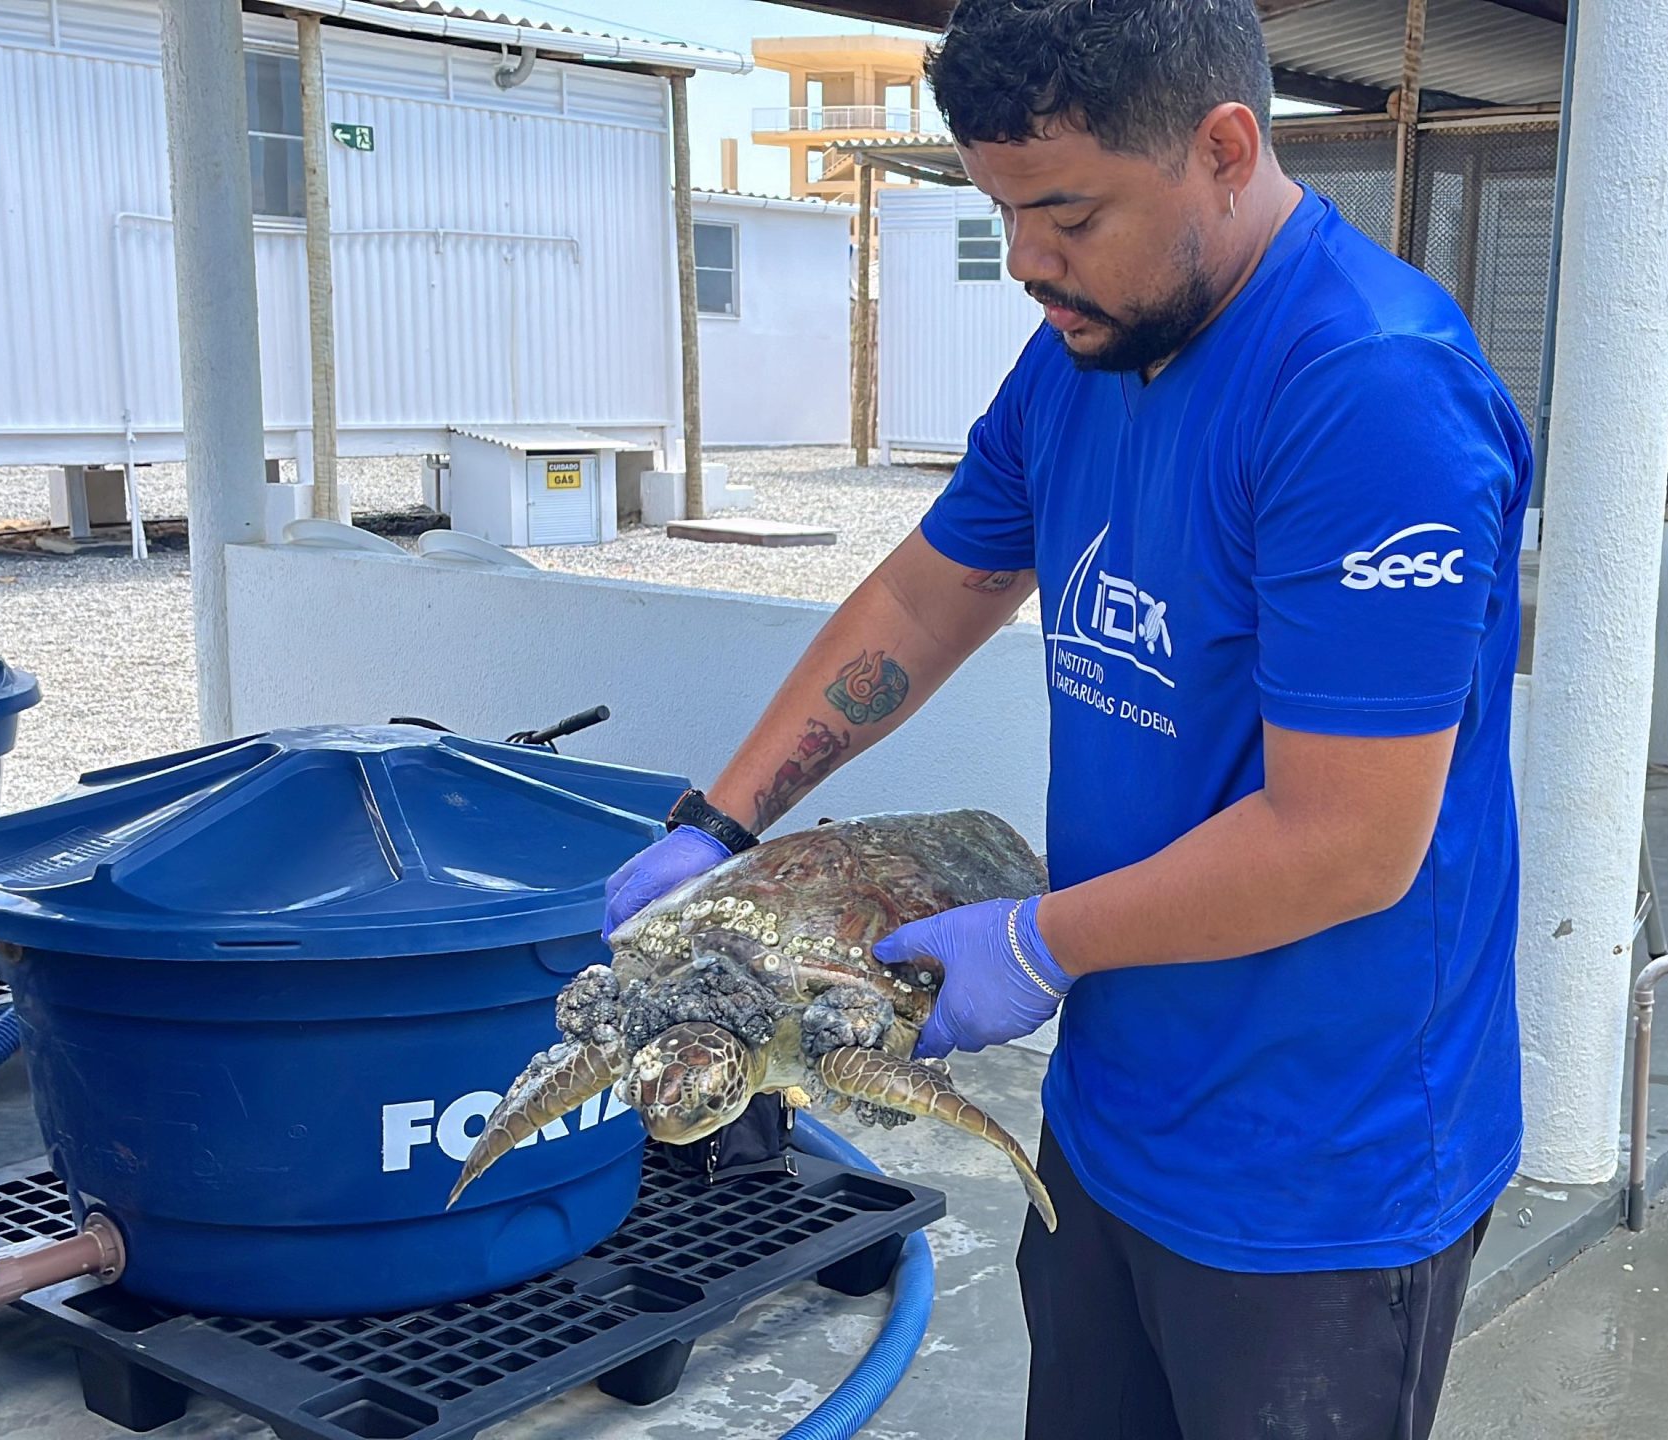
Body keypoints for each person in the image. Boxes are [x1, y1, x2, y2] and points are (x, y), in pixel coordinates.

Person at [604, 1, 1531, 1433]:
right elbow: (929, 598)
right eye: (1002, 211)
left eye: (1068, 213)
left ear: (1225, 149)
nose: (1029, 262)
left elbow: (1351, 841)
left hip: (1317, 1168)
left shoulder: (1369, 392)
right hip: (1112, 1108)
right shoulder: (1085, 349)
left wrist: (1037, 943)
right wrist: (719, 821)